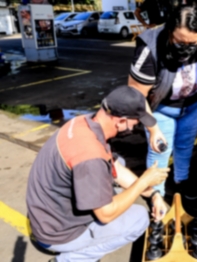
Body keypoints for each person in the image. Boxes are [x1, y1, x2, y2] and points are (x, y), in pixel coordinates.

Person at [26, 86, 170, 262]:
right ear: (121, 121)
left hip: (47, 212)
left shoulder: (84, 122)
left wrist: (153, 194)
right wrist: (143, 181)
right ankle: (69, 259)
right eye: (137, 122)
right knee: (139, 218)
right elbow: (106, 214)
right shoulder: (90, 156)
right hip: (56, 233)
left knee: (119, 165)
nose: (136, 126)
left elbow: (115, 167)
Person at [128, 5, 197, 198]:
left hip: (192, 107)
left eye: (192, 44)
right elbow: (136, 93)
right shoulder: (150, 47)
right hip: (161, 110)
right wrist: (152, 128)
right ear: (168, 30)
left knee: (185, 146)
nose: (186, 50)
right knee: (159, 152)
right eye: (179, 42)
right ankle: (156, 194)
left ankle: (182, 181)